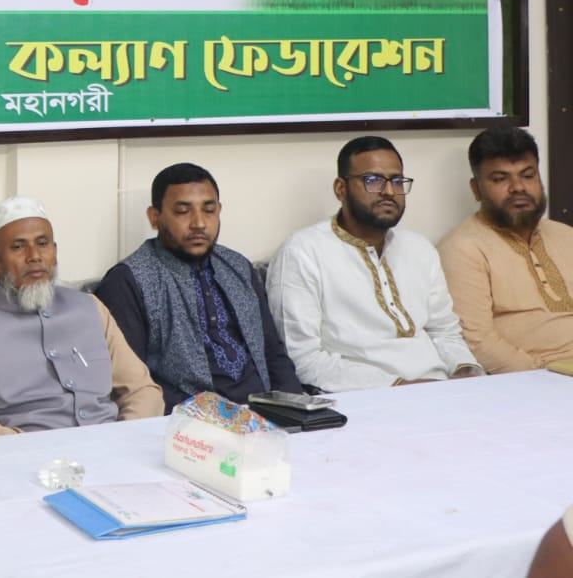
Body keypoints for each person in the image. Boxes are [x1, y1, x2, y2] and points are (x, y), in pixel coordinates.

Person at [0, 197, 160, 433]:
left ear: (55, 252)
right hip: (23, 450)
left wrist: (122, 436)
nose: (34, 256)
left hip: (109, 443)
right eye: (18, 247)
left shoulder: (90, 307)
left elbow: (142, 390)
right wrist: (26, 445)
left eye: (42, 244)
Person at [268, 135, 482, 391]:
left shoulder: (419, 248)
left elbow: (445, 332)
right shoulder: (302, 252)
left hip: (439, 389)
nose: (389, 192)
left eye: (397, 181)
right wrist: (400, 385)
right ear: (340, 189)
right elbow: (302, 358)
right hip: (362, 397)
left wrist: (465, 369)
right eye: (373, 180)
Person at [96, 163, 303, 413]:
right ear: (154, 217)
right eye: (183, 211)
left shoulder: (237, 266)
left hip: (266, 412)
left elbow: (272, 351)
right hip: (189, 420)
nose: (199, 223)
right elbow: (134, 384)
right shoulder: (128, 281)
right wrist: (216, 416)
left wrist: (297, 408)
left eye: (209, 210)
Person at [437, 128, 573, 373]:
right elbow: (478, 342)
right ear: (476, 189)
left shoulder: (565, 235)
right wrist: (542, 376)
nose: (518, 187)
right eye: (500, 179)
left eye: (528, 175)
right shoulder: (462, 248)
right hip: (540, 377)